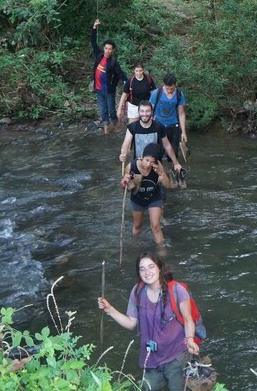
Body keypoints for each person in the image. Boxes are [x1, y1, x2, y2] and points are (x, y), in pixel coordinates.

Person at [98, 251, 200, 391]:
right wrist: (109, 310)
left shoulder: (177, 291)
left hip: (177, 355)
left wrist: (189, 340)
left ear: (159, 267)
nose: (147, 272)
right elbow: (131, 323)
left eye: (151, 266)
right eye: (142, 269)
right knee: (146, 388)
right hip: (151, 358)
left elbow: (188, 320)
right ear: (139, 273)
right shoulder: (137, 292)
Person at [121, 143, 171, 245]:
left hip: (154, 197)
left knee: (156, 226)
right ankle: (134, 244)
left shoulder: (158, 166)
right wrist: (124, 181)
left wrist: (160, 174)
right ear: (142, 157)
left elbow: (167, 185)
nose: (148, 164)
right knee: (137, 225)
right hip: (137, 198)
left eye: (152, 162)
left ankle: (162, 251)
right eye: (147, 160)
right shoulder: (131, 166)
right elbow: (124, 187)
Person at [119, 101, 183, 178]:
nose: (144, 114)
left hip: (155, 165)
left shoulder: (159, 127)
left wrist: (175, 163)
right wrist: (123, 155)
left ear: (152, 112)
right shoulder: (132, 127)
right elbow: (126, 145)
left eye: (147, 111)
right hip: (139, 164)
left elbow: (167, 145)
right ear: (138, 112)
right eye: (142, 111)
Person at [149, 75, 188, 184]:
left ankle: (174, 173)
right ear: (164, 85)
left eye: (172, 88)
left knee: (174, 152)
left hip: (173, 126)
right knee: (158, 152)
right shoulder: (157, 93)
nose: (170, 91)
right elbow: (149, 111)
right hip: (158, 126)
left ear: (175, 85)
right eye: (167, 88)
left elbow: (181, 113)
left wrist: (183, 132)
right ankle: (159, 176)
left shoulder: (179, 94)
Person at [91, 19, 127, 134]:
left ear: (113, 50)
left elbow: (121, 74)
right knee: (103, 111)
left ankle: (115, 125)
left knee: (111, 110)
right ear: (104, 48)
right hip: (98, 90)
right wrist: (94, 28)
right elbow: (93, 42)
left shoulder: (113, 62)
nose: (107, 51)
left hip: (109, 91)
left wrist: (127, 84)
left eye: (109, 49)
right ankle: (106, 130)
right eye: (106, 48)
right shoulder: (99, 56)